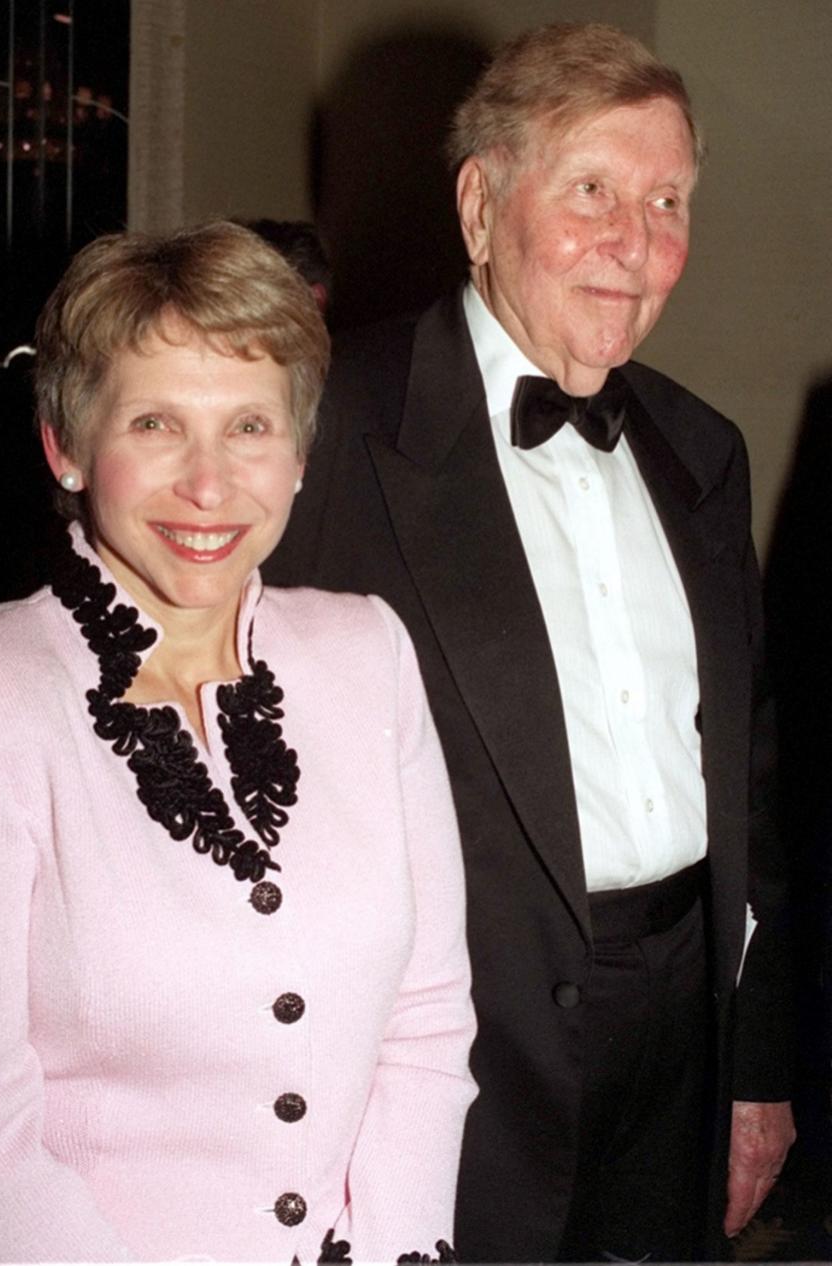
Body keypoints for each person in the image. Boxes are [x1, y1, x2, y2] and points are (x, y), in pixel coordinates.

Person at [262, 21, 795, 1264]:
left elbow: (750, 783)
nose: (637, 241)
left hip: (680, 1041)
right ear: (480, 204)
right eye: (593, 190)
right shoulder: (327, 424)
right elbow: (155, 662)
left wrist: (754, 1067)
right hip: (437, 1060)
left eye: (666, 200)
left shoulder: (702, 452)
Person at [0, 223, 475, 1262]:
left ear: (298, 449)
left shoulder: (368, 653)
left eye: (250, 426)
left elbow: (426, 1021)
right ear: (66, 444)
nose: (210, 484)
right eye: (155, 423)